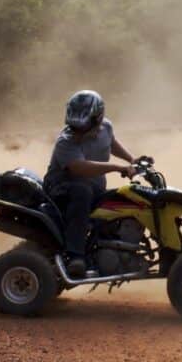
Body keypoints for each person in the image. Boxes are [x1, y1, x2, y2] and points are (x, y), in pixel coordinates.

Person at [43, 90, 136, 278]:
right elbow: (80, 168)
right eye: (75, 127)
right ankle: (75, 256)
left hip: (93, 187)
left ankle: (112, 248)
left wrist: (132, 160)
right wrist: (118, 167)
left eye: (83, 127)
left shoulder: (106, 127)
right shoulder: (66, 142)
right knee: (82, 191)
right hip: (60, 188)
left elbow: (111, 143)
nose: (78, 132)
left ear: (98, 119)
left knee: (127, 197)